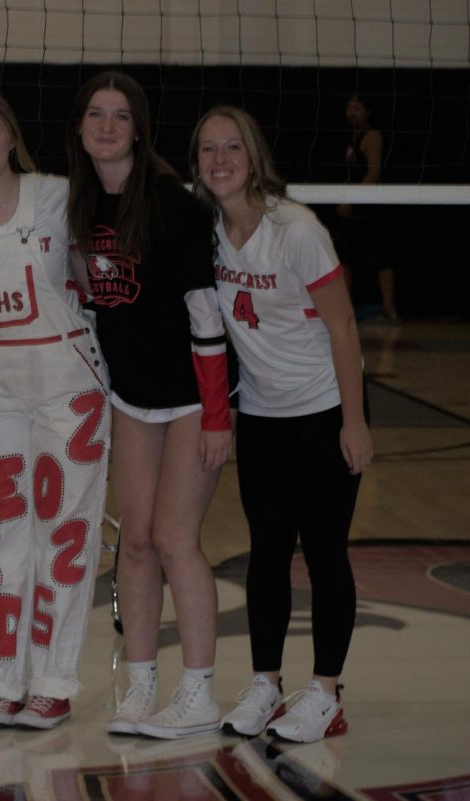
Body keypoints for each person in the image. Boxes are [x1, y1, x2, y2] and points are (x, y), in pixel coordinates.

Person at [191, 105, 372, 743]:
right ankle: (266, 683)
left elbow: (344, 326)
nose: (220, 160)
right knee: (267, 554)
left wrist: (354, 421)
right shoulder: (206, 229)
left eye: (232, 147)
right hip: (263, 415)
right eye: (208, 150)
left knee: (324, 552)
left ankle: (325, 692)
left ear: (254, 154)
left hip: (323, 408)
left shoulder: (295, 228)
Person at [64, 71, 234, 739]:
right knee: (133, 541)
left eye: (121, 115)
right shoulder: (78, 205)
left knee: (172, 537)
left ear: (139, 128)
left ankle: (198, 691)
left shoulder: (170, 202)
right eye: (96, 114)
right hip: (133, 395)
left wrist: (218, 415)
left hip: (193, 393)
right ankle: (139, 687)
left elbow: (206, 312)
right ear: (79, 128)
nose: (107, 125)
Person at [0, 89, 110, 730]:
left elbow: (96, 281)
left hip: (68, 381)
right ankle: (5, 678)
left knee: (63, 531)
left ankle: (54, 680)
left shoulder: (59, 197)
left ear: (10, 137)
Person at [334, 95, 399, 322]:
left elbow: (373, 174)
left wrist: (351, 199)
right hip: (353, 212)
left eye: (357, 108)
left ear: (368, 111)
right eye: (349, 107)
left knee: (382, 259)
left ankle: (390, 310)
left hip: (370, 210)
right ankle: (345, 311)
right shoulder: (351, 137)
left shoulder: (372, 136)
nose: (352, 112)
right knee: (345, 259)